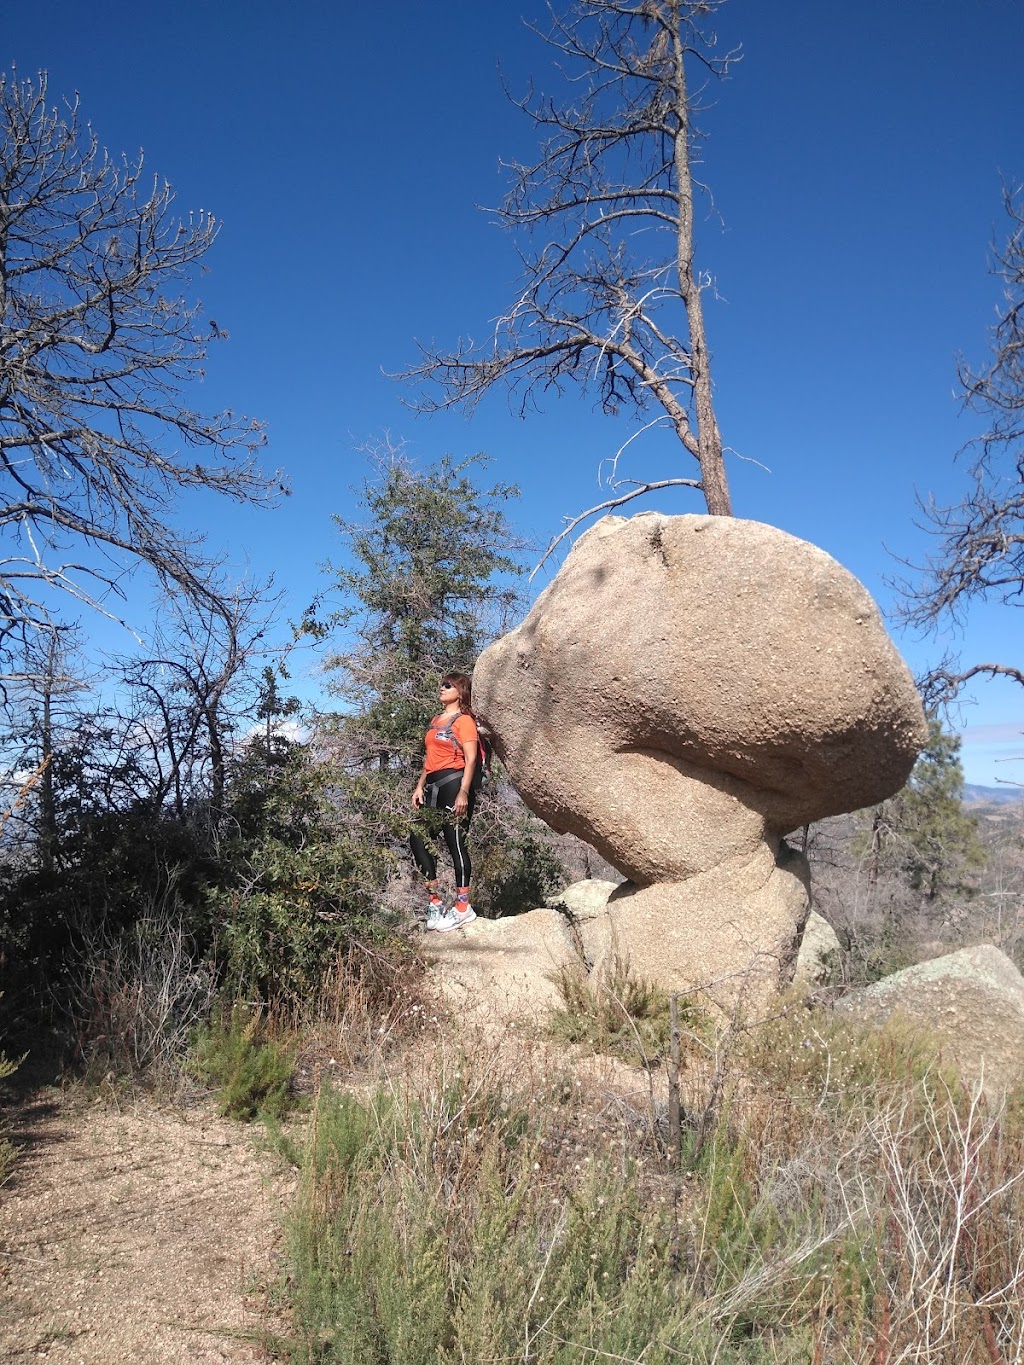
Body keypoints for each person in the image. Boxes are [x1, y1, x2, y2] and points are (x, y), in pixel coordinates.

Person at [410, 672, 480, 931]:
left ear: (460, 692)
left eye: (447, 685)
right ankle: (435, 902)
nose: (441, 688)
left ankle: (463, 907)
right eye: (441, 684)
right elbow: (429, 759)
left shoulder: (465, 722)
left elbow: (471, 759)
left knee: (456, 843)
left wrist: (463, 792)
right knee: (418, 838)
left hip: (454, 785)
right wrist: (419, 787)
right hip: (432, 788)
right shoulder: (436, 720)